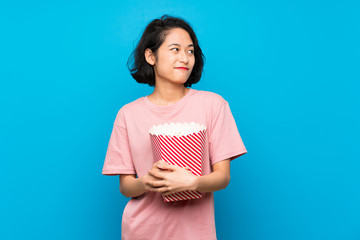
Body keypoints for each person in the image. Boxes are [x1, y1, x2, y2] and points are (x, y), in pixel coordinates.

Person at [102, 14, 247, 240]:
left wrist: (194, 182)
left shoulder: (213, 105)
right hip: (141, 231)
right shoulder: (128, 114)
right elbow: (126, 187)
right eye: (175, 49)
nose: (185, 58)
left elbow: (223, 177)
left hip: (196, 234)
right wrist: (146, 181)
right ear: (151, 56)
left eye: (190, 51)